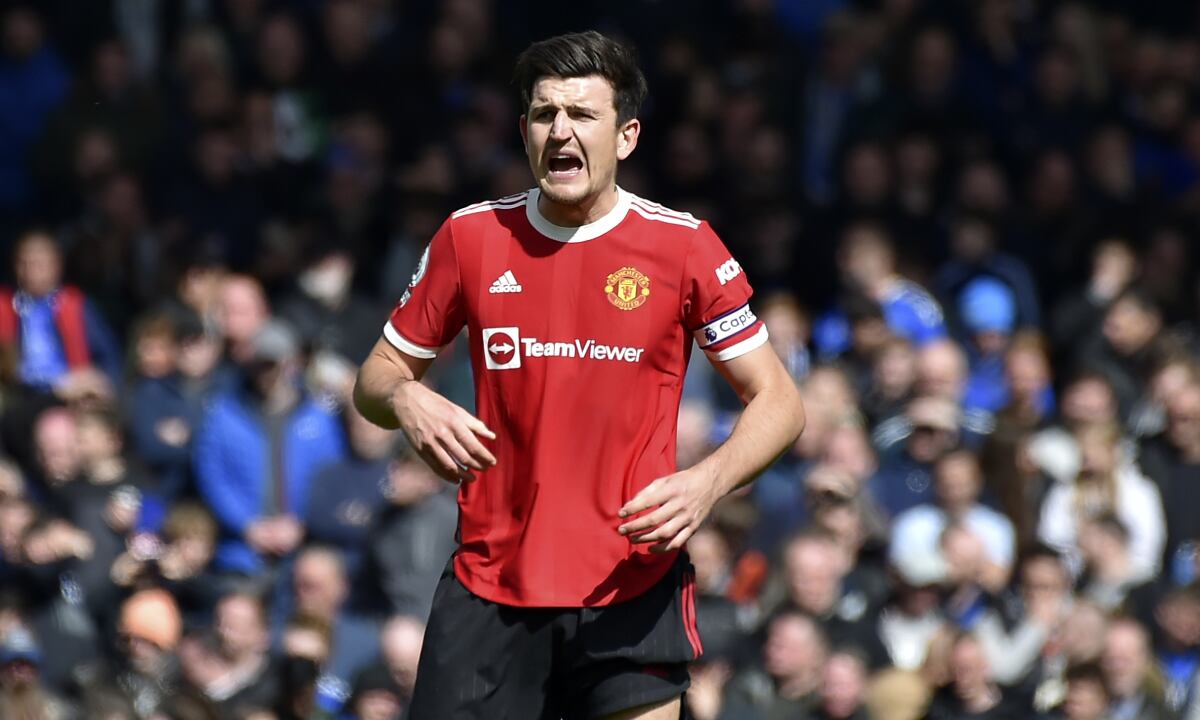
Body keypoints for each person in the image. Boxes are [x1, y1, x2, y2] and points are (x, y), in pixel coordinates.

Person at [353, 30, 805, 719]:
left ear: (626, 136)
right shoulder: (470, 238)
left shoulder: (682, 247)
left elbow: (779, 400)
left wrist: (706, 483)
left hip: (629, 585)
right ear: (525, 129)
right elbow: (375, 380)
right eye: (544, 114)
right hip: (491, 586)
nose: (560, 131)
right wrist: (409, 399)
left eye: (582, 115)